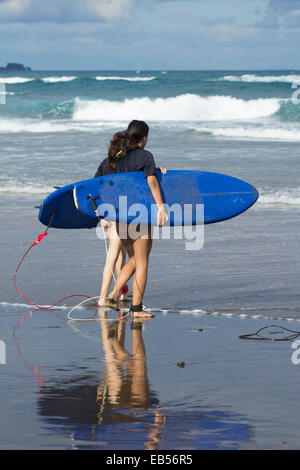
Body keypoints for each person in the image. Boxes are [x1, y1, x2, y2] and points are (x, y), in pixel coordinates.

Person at [94, 120, 168, 318]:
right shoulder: (145, 156)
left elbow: (98, 185)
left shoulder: (113, 159)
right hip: (140, 216)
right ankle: (136, 309)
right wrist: (161, 207)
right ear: (144, 137)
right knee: (142, 262)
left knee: (134, 259)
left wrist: (103, 214)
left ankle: (111, 295)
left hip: (119, 218)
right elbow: (150, 182)